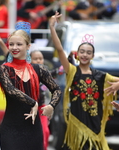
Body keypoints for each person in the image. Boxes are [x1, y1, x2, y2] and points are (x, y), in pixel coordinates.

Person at [49, 11, 119, 150]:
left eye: (88, 53)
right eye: (82, 52)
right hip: (76, 124)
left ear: (92, 56)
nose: (85, 55)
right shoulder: (71, 71)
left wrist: (117, 84)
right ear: (77, 54)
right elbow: (59, 49)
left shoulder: (100, 75)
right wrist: (52, 27)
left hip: (94, 125)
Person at [0, 21, 62, 150]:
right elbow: (11, 90)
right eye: (11, 44)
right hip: (11, 129)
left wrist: (51, 106)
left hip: (33, 129)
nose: (14, 47)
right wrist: (33, 103)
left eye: (19, 44)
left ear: (28, 46)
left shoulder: (39, 69)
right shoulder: (3, 69)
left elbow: (57, 89)